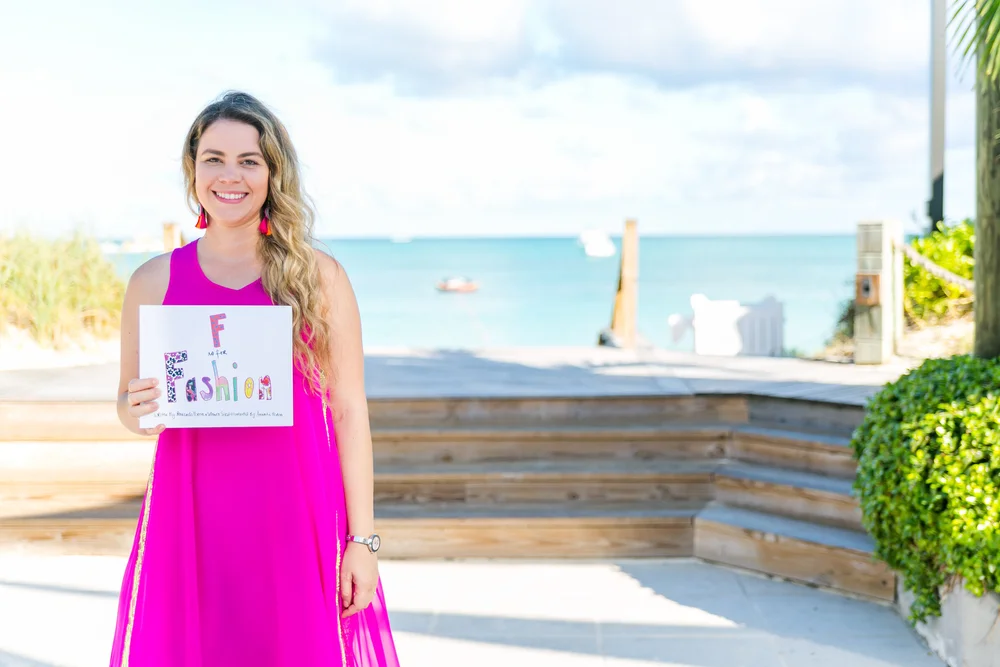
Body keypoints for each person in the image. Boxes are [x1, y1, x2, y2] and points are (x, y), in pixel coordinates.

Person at [109, 91, 400, 666]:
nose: (230, 176)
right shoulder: (152, 281)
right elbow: (126, 402)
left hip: (296, 509)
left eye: (249, 160)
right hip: (190, 510)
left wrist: (362, 541)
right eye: (214, 158)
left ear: (273, 173)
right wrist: (136, 410)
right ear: (193, 169)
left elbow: (349, 410)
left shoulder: (318, 277)